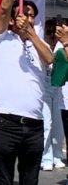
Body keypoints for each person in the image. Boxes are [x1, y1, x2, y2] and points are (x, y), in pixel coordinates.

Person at [0, 0, 56, 184]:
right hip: (5, 122)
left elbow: (49, 59)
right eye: (23, 14)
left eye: (31, 16)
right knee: (4, 178)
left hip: (33, 124)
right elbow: (4, 7)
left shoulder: (40, 43)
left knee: (30, 180)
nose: (27, 18)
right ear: (12, 19)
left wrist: (31, 35)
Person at [41, 19, 65, 171]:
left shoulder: (62, 46)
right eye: (49, 32)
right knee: (46, 124)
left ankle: (57, 156)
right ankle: (46, 157)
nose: (52, 35)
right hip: (44, 88)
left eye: (55, 32)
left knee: (58, 125)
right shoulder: (41, 45)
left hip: (59, 89)